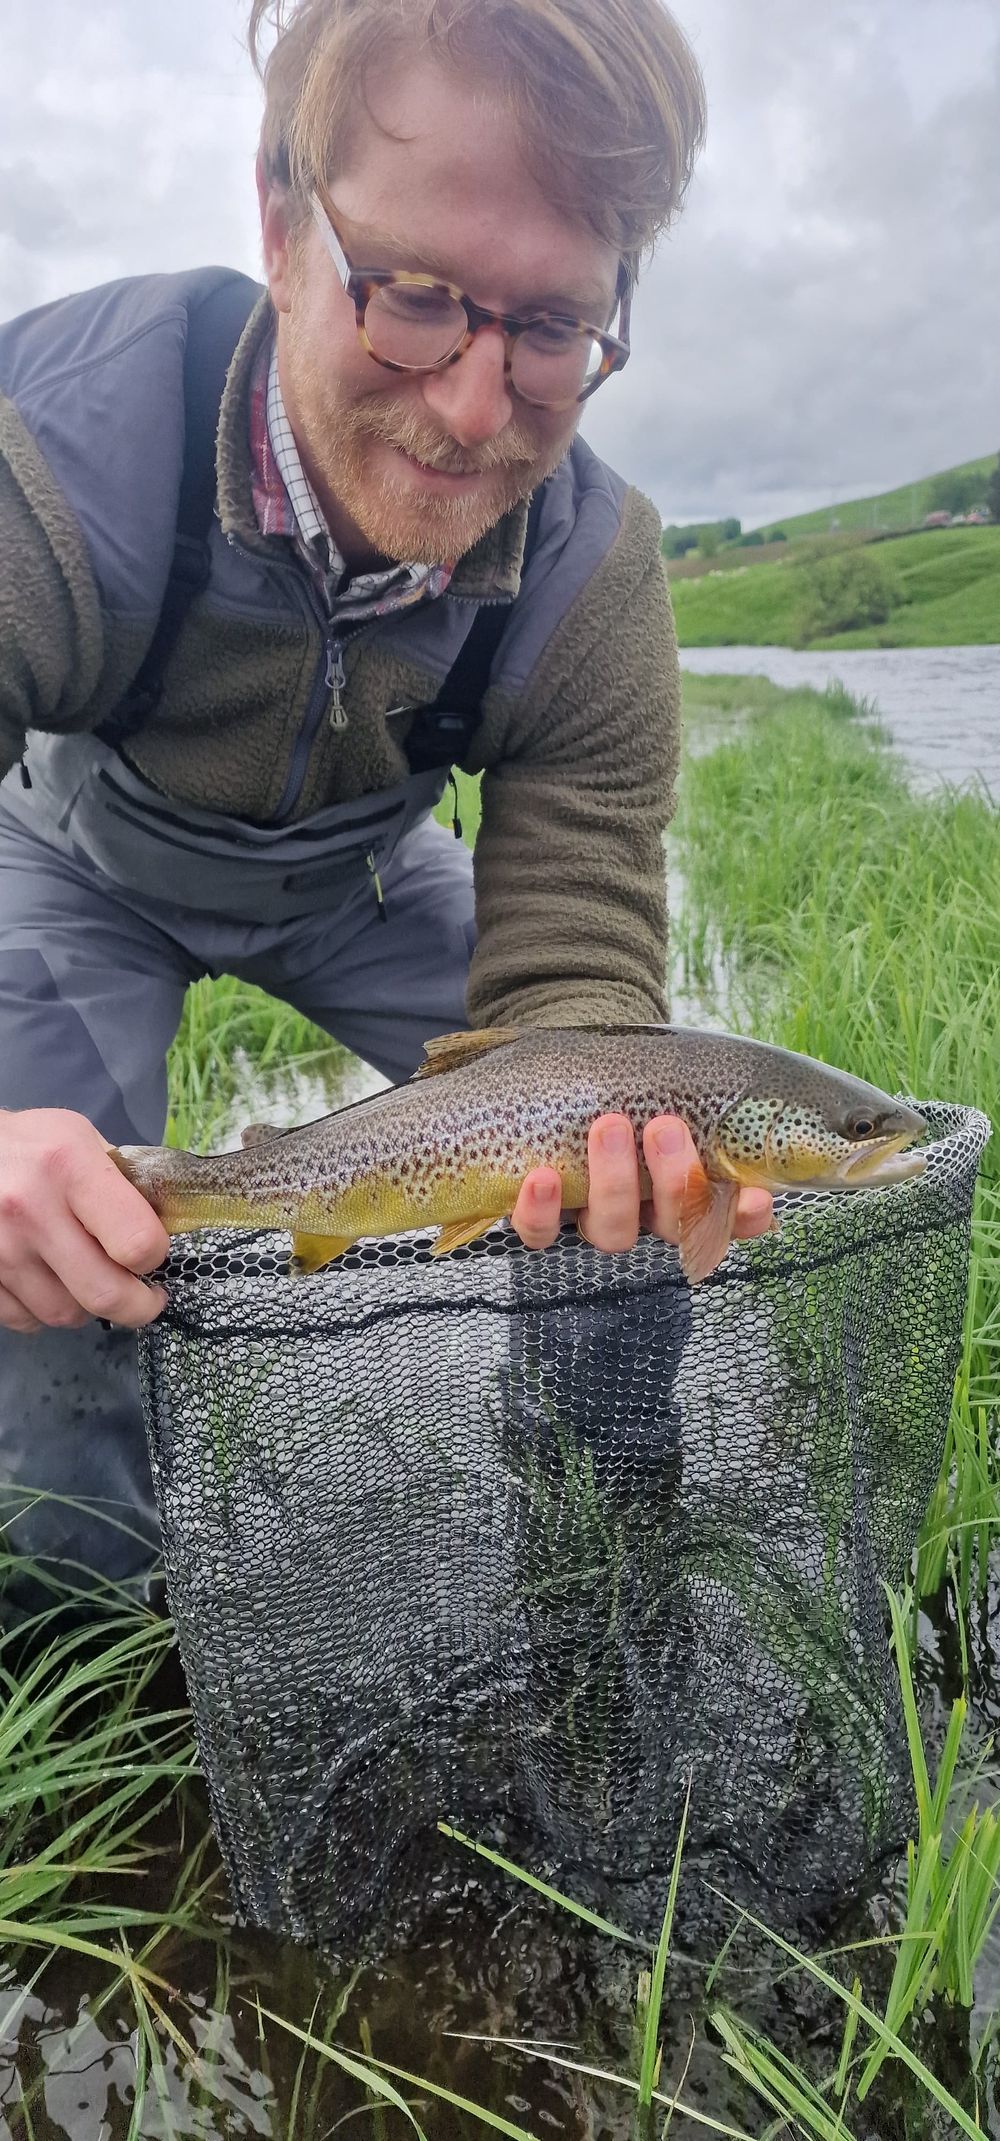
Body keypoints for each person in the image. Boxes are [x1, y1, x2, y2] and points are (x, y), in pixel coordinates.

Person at [0, 0, 773, 1613]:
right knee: (60, 1271)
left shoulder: (595, 576)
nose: (480, 410)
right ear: (283, 226)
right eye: (415, 299)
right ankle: (92, 1667)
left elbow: (574, 969)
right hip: (80, 864)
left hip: (357, 877)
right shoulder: (58, 451)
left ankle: (594, 1581)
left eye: (554, 327)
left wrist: (601, 1142)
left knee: (623, 1171)